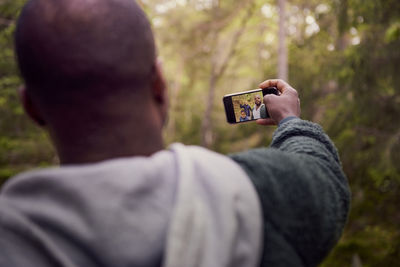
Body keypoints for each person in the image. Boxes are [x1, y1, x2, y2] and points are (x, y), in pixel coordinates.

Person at [0, 0, 350, 267]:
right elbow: (323, 177)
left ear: (31, 107)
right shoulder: (244, 198)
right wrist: (289, 119)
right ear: (160, 85)